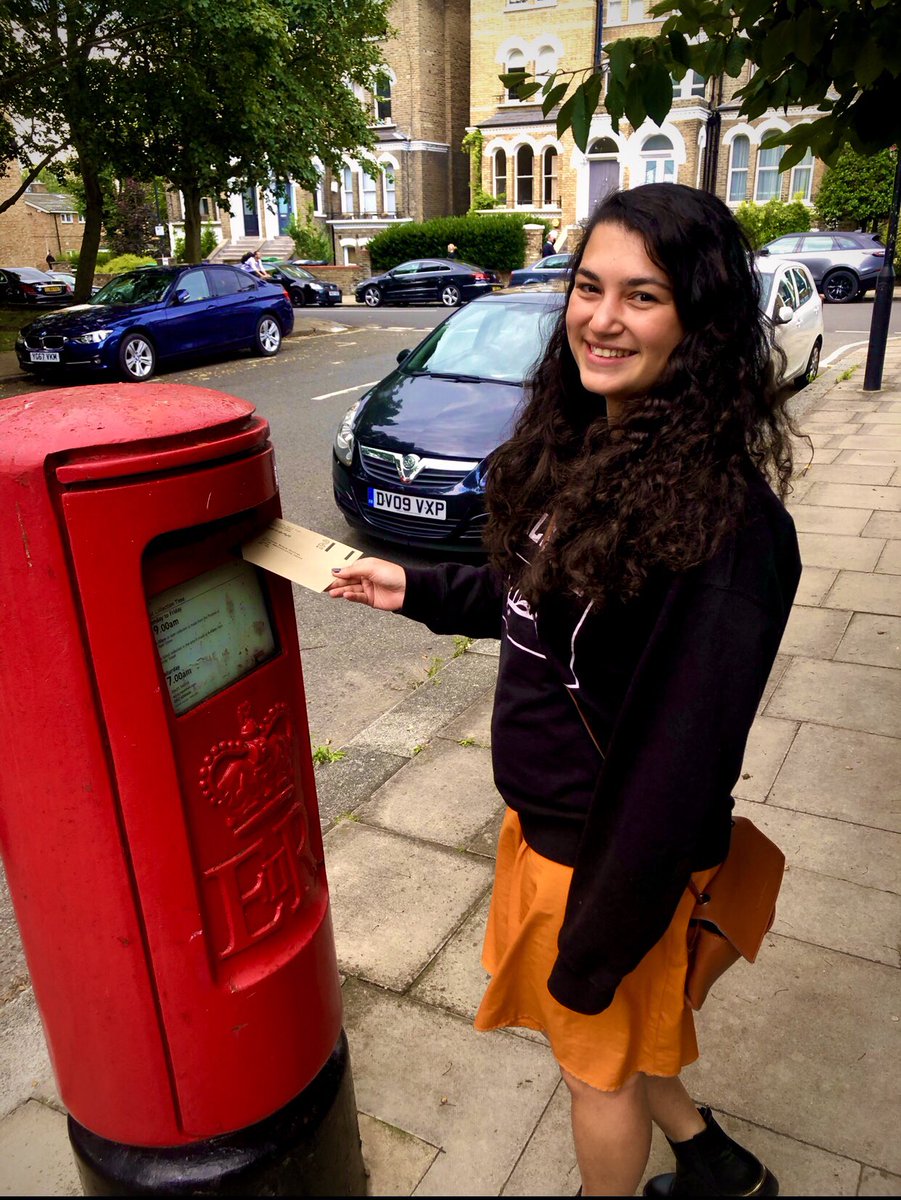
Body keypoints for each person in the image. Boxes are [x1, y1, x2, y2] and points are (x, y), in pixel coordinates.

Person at [328, 183, 800, 1198]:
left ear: (700, 322)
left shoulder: (726, 526)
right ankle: (715, 1163)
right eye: (589, 287)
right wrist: (413, 583)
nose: (601, 318)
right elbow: (529, 595)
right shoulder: (595, 446)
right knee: (621, 1033)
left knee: (593, 1067)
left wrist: (599, 934)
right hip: (545, 833)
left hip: (605, 858)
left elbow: (681, 763)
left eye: (642, 296)